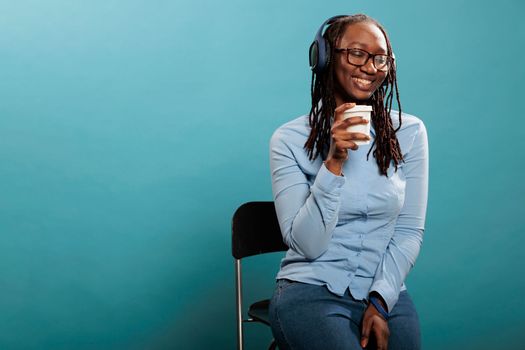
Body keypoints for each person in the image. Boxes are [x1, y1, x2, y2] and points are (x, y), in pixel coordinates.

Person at [268, 14, 428, 350]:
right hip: (311, 292)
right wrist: (334, 161)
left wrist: (381, 301)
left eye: (380, 58)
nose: (369, 67)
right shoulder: (288, 140)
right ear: (326, 57)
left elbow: (409, 231)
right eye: (357, 53)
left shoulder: (409, 134)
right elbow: (307, 245)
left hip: (385, 292)